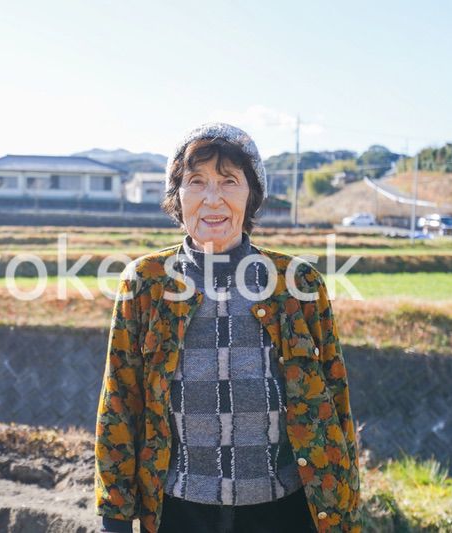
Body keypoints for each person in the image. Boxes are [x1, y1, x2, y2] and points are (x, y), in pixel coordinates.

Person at [94, 123, 362, 533]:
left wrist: (343, 508)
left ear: (251, 195)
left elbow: (335, 399)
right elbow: (120, 400)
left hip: (284, 508)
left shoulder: (298, 283)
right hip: (180, 507)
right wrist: (114, 516)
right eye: (196, 182)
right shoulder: (146, 281)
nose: (212, 198)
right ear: (177, 197)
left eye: (229, 181)